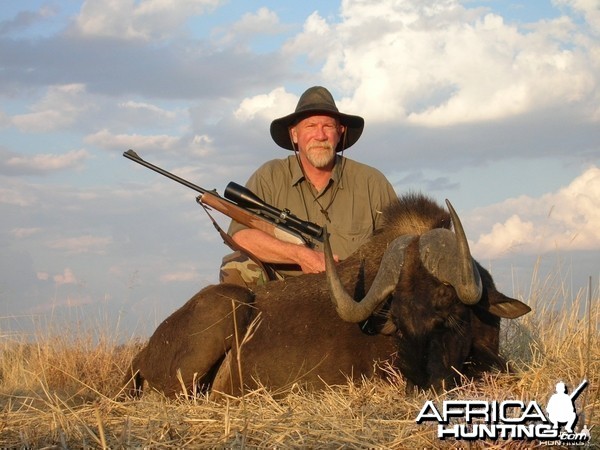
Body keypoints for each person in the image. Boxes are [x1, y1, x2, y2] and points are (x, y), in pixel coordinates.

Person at [220, 86, 399, 287]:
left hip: (355, 288)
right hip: (284, 289)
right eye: (311, 126)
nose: (320, 135)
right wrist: (300, 255)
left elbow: (401, 244)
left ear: (340, 132)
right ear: (294, 135)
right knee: (236, 265)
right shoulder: (269, 176)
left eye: (328, 127)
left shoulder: (372, 182)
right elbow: (241, 236)